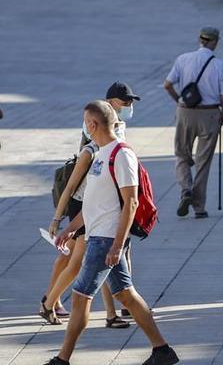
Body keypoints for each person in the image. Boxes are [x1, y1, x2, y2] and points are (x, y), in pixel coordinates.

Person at [46, 101, 179, 365]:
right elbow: (94, 203)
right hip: (98, 236)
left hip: (106, 240)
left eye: (86, 121)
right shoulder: (99, 155)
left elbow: (130, 202)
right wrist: (70, 229)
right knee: (125, 294)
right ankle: (162, 351)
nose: (85, 126)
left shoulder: (121, 154)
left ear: (92, 125)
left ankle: (62, 360)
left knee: (80, 296)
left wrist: (118, 245)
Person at [41, 82, 141, 327]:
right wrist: (58, 219)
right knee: (76, 262)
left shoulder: (119, 134)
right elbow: (70, 188)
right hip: (86, 207)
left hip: (105, 205)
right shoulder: (90, 150)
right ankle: (49, 303)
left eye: (130, 102)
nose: (129, 106)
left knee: (106, 258)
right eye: (125, 101)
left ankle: (111, 313)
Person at [164, 27, 223, 219]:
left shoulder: (183, 59)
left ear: (199, 39)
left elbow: (167, 84)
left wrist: (179, 101)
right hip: (210, 114)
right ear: (215, 42)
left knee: (181, 154)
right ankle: (199, 207)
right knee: (203, 162)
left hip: (185, 112)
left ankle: (186, 189)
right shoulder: (219, 65)